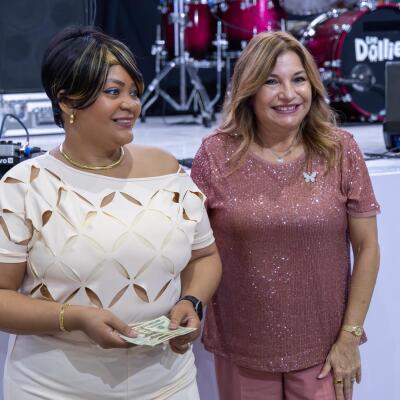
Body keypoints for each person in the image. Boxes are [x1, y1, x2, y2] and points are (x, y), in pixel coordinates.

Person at [0, 26, 221, 400]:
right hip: (53, 389)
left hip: (168, 384)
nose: (131, 104)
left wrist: (192, 301)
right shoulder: (26, 185)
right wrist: (75, 318)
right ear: (67, 101)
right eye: (113, 92)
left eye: (134, 92)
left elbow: (205, 255)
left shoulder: (167, 171)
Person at [191, 31, 380, 400]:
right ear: (249, 89)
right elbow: (196, 251)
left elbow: (368, 247)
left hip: (325, 352)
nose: (289, 94)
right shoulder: (215, 156)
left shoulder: (340, 150)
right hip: (242, 350)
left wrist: (350, 337)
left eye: (298, 79)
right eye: (271, 82)